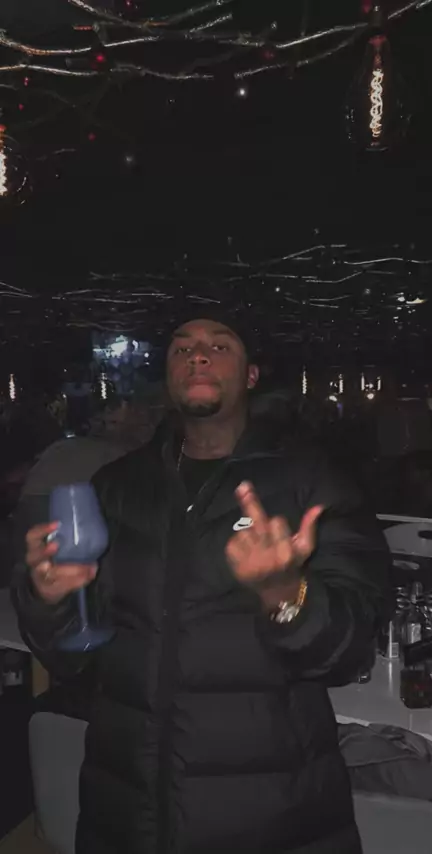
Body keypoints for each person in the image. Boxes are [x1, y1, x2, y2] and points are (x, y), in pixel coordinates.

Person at [12, 312, 390, 854]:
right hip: (126, 808)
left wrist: (287, 596)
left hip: (270, 815)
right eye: (182, 348)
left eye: (220, 345)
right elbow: (73, 657)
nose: (198, 355)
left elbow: (352, 652)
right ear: (168, 376)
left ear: (251, 375)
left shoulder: (312, 481)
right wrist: (47, 598)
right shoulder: (117, 486)